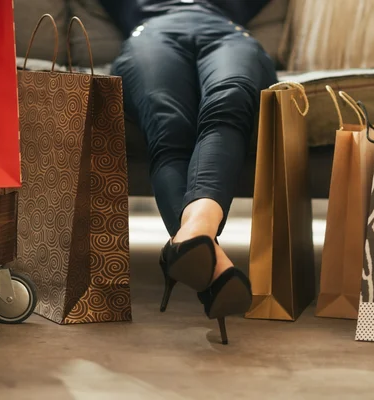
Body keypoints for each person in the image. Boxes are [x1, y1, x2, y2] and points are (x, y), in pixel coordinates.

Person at [99, 0, 277, 344]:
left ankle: (195, 238)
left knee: (229, 101)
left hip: (228, 34)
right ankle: (207, 254)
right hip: (153, 33)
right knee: (168, 125)